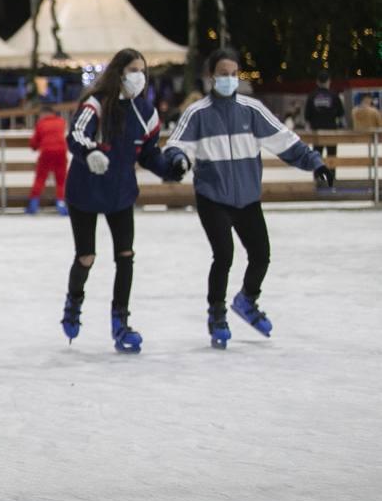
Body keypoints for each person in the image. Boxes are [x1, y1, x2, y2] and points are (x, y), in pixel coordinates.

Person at [165, 48, 333, 349]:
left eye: (233, 74)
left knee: (261, 255)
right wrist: (178, 160)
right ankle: (217, 313)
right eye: (222, 74)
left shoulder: (251, 110)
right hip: (212, 197)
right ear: (210, 76)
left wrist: (316, 163)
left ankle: (247, 300)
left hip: (247, 198)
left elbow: (285, 141)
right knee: (224, 255)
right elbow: (178, 145)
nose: (229, 79)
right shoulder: (198, 113)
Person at [60, 48, 184, 354]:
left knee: (125, 255)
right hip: (85, 191)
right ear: (118, 72)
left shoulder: (146, 113)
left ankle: (121, 322)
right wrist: (90, 153)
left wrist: (172, 167)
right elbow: (76, 134)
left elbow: (150, 154)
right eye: (132, 70)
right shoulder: (96, 104)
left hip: (120, 193)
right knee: (86, 256)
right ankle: (74, 302)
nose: (138, 76)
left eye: (142, 70)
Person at [27, 101, 69, 216]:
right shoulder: (61, 122)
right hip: (61, 152)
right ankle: (61, 205)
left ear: (44, 114)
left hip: (46, 152)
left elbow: (34, 142)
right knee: (61, 180)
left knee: (40, 178)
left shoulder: (41, 124)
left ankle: (33, 206)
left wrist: (34, 147)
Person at [304, 72, 346, 158]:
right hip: (331, 130)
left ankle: (318, 172)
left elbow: (307, 115)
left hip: (316, 131)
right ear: (329, 81)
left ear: (317, 82)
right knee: (332, 156)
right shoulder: (334, 95)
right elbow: (341, 113)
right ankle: (331, 171)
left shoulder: (312, 95)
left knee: (316, 157)